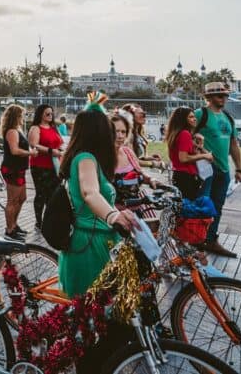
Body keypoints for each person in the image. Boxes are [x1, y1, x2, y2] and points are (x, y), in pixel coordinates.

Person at [57, 103, 139, 298]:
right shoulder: (85, 158)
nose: (114, 134)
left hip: (99, 239)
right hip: (89, 245)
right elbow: (90, 193)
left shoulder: (92, 159)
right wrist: (114, 216)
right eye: (108, 129)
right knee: (95, 311)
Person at [195, 82, 241, 257]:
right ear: (208, 97)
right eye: (219, 95)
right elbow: (185, 137)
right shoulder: (201, 114)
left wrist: (239, 169)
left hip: (223, 170)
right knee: (202, 205)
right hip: (205, 168)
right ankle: (196, 240)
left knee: (217, 206)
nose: (223, 98)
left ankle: (210, 239)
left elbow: (233, 144)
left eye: (225, 95)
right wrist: (200, 151)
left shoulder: (228, 118)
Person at [0, 104, 36, 240]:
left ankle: (14, 225)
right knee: (12, 200)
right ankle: (9, 230)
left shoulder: (17, 130)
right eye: (22, 115)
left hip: (18, 169)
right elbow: (15, 150)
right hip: (12, 169)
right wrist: (30, 153)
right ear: (16, 116)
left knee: (22, 198)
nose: (23, 117)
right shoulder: (12, 131)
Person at [165, 107, 214, 198]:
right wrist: (204, 156)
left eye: (194, 116)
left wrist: (199, 146)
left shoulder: (177, 134)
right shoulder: (185, 134)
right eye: (191, 117)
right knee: (188, 208)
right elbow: (183, 158)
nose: (195, 119)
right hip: (186, 177)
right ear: (183, 120)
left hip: (179, 175)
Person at [28, 104, 63, 230]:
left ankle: (50, 221)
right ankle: (39, 222)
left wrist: (59, 151)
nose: (50, 116)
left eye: (51, 113)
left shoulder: (53, 127)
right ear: (40, 114)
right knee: (41, 194)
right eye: (47, 114)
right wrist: (50, 151)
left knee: (53, 195)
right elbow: (33, 145)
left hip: (55, 166)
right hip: (39, 166)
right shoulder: (35, 128)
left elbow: (59, 143)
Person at [119, 103, 162, 168]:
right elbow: (132, 160)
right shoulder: (128, 136)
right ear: (130, 116)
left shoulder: (138, 133)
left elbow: (136, 157)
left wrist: (150, 158)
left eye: (144, 114)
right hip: (127, 175)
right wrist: (152, 163)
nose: (144, 116)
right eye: (141, 114)